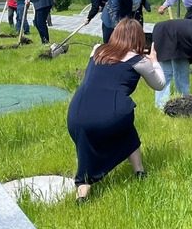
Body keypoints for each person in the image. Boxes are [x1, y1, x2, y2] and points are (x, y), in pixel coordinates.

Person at [67, 18, 165, 203]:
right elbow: (159, 85)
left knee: (119, 132)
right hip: (109, 117)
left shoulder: (97, 49)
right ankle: (139, 173)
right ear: (139, 38)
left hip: (76, 115)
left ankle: (82, 192)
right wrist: (154, 61)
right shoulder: (140, 61)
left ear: (115, 34)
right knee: (122, 120)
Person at [102, 0, 166, 43]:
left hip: (135, 12)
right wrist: (118, 26)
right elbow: (113, 9)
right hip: (117, 14)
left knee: (136, 35)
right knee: (111, 41)